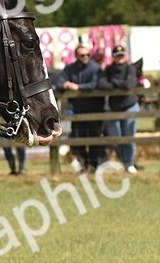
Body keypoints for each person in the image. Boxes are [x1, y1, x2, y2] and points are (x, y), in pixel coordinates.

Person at [99, 45, 142, 174]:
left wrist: (113, 83)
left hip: (130, 106)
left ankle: (129, 164)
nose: (120, 58)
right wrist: (119, 84)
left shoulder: (130, 68)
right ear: (113, 57)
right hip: (114, 108)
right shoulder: (109, 69)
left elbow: (129, 85)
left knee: (129, 137)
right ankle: (124, 161)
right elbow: (102, 84)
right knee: (116, 137)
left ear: (126, 56)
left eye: (122, 55)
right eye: (117, 55)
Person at [61, 46, 103, 171]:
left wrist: (78, 87)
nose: (85, 57)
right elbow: (59, 82)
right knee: (78, 140)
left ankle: (94, 166)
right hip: (77, 111)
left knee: (94, 140)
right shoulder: (70, 69)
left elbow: (96, 84)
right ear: (76, 56)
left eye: (87, 55)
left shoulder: (95, 68)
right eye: (82, 55)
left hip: (95, 110)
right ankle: (84, 165)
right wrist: (66, 84)